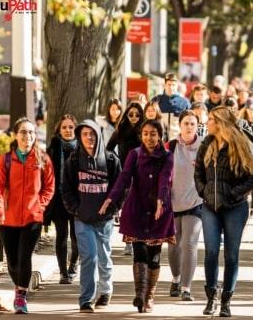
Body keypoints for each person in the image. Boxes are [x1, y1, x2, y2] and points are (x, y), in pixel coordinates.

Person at [100, 119, 174, 313]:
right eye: (146, 133)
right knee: (139, 253)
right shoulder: (134, 154)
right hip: (136, 209)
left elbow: (165, 180)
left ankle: (149, 295)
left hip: (159, 211)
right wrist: (111, 198)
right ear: (141, 135)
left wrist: (161, 200)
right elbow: (124, 177)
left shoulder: (167, 156)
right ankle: (139, 295)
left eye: (153, 134)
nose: (149, 137)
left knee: (154, 257)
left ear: (160, 136)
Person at [194, 106, 253, 317]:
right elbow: (198, 173)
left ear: (221, 122)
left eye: (211, 119)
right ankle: (211, 296)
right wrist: (203, 190)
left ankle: (226, 301)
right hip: (210, 207)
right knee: (211, 252)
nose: (207, 122)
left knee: (231, 256)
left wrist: (233, 194)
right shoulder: (207, 143)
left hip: (235, 207)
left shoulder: (240, 145)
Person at [0, 117, 55, 314]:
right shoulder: (6, 160)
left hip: (32, 218)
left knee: (24, 256)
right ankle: (19, 285)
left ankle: (21, 297)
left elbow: (49, 187)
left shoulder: (42, 159)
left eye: (31, 132)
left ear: (35, 136)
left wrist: (40, 206)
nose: (27, 136)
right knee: (12, 262)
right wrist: (0, 212)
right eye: (23, 132)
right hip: (8, 219)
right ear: (15, 135)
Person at [62, 119, 122, 313]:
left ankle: (105, 291)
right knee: (89, 258)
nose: (89, 138)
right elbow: (67, 189)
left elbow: (121, 188)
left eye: (93, 134)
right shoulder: (73, 160)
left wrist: (113, 209)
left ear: (98, 136)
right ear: (80, 136)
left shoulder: (111, 159)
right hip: (82, 219)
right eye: (85, 134)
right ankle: (86, 299)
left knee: (104, 257)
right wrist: (75, 210)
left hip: (104, 219)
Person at [167, 111, 204, 302]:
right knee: (174, 246)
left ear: (197, 126)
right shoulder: (171, 146)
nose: (189, 127)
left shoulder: (204, 146)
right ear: (180, 125)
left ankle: (186, 288)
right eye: (186, 123)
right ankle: (176, 279)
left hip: (196, 202)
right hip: (173, 202)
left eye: (192, 123)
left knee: (189, 243)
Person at [106, 102, 144, 256]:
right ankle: (128, 241)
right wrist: (116, 161)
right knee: (127, 208)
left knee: (138, 208)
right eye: (131, 114)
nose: (134, 117)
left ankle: (137, 240)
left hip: (142, 172)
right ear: (126, 115)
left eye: (137, 114)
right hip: (125, 172)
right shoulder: (120, 131)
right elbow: (108, 149)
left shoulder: (144, 131)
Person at [45, 115, 79, 285]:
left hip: (77, 199)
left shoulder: (82, 148)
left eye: (71, 127)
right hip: (58, 199)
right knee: (61, 236)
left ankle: (73, 264)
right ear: (59, 130)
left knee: (76, 236)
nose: (67, 130)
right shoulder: (53, 148)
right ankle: (63, 273)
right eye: (64, 127)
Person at [151, 72, 191, 140]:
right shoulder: (156, 100)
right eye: (169, 84)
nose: (171, 87)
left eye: (173, 85)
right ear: (164, 85)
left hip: (177, 141)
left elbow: (189, 121)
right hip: (159, 140)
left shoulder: (184, 102)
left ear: (177, 86)